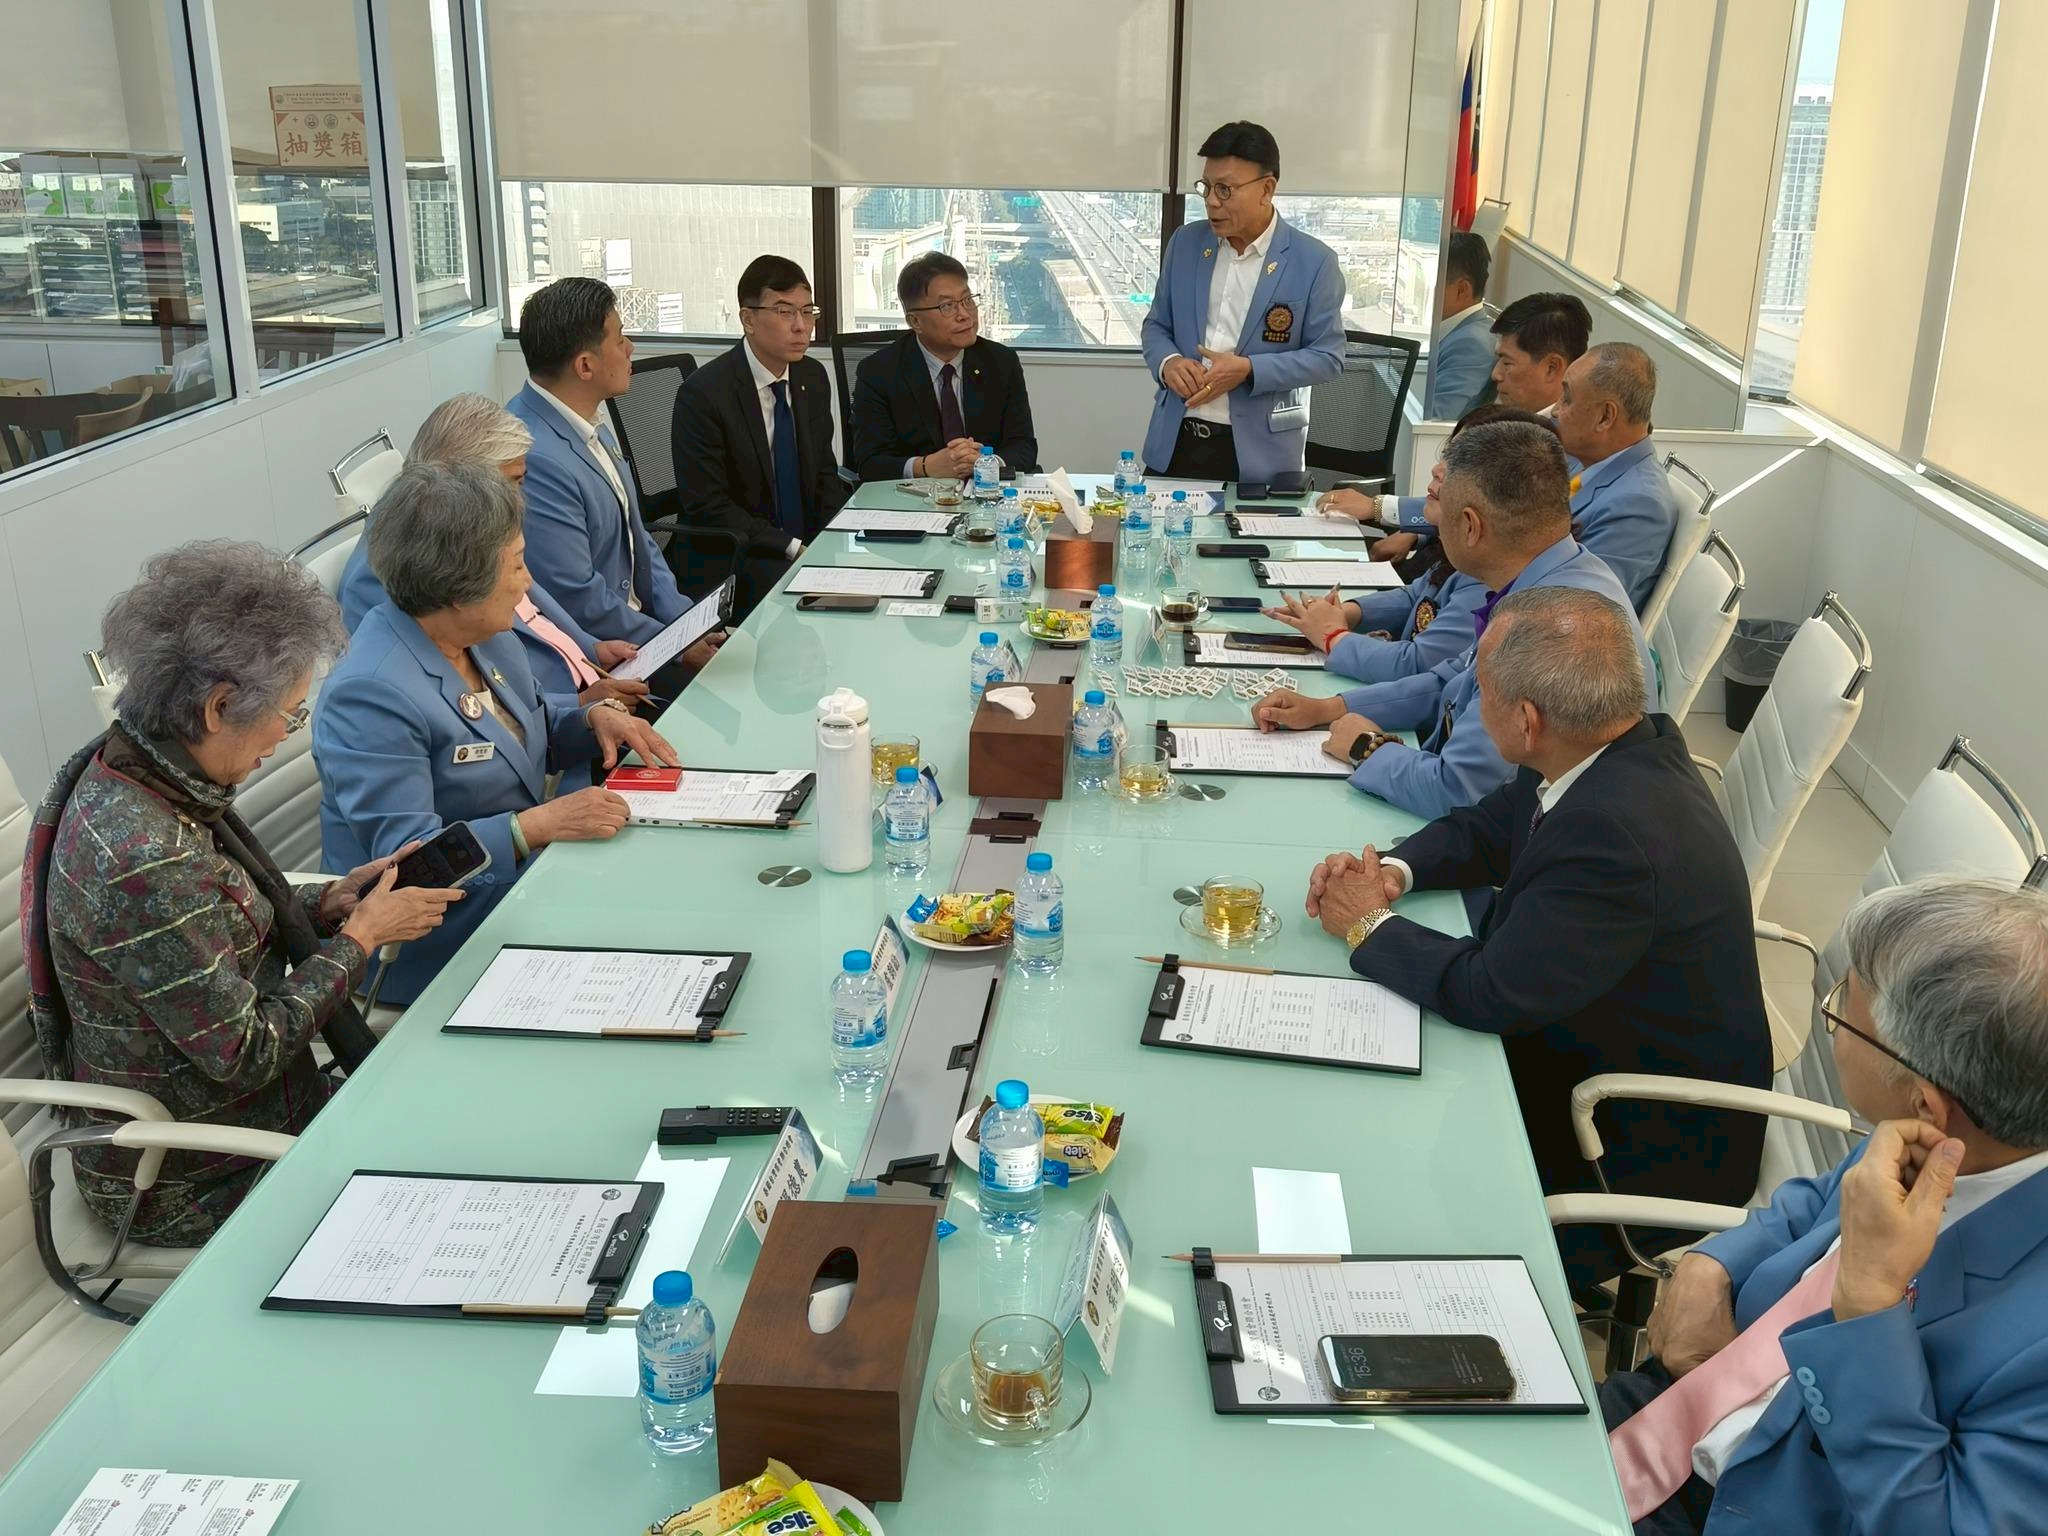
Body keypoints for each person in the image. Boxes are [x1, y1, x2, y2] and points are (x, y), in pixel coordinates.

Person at [1303, 587, 1769, 1293]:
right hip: (1589, 1048)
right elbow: (1490, 828)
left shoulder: (1613, 839)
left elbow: (1489, 992)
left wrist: (1368, 923)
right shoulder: (1610, 746)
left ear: (1526, 720)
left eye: (1481, 692)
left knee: (1370, 1157)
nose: (1471, 702)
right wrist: (1393, 872)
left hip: (1633, 1139)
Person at [25, 544, 459, 1244]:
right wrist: (362, 938)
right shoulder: (142, 857)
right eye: (290, 714)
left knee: (451, 1112)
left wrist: (331, 903)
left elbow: (213, 922)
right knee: (448, 1175)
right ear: (219, 706)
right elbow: (246, 1051)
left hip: (251, 1117)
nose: (287, 735)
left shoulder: (145, 767)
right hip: (191, 1175)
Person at [1600, 877, 2048, 1536]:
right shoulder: (1940, 1140)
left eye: (1842, 1009)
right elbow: (1813, 1201)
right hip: (1682, 1405)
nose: (1829, 1015)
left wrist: (1869, 1309)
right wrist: (1710, 1264)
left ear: (1926, 1103)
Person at [315, 461, 676, 1006]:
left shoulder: (485, 635)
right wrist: (533, 826)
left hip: (526, 888)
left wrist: (588, 720)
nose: (528, 583)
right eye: (517, 565)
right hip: (441, 943)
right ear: (460, 589)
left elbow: (526, 732)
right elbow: (407, 866)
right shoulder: (371, 694)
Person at [1251, 420, 1654, 818]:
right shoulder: (1552, 575)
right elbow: (1449, 681)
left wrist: (1365, 748)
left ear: (1471, 527)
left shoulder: (1548, 627)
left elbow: (1457, 791)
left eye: (1441, 512)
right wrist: (1328, 709)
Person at [340, 394, 693, 715]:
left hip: (586, 683)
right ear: (458, 482)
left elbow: (534, 608)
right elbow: (462, 703)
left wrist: (591, 649)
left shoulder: (467, 533)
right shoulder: (389, 578)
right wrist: (580, 705)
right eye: (513, 483)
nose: (522, 501)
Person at [1259, 405, 1553, 686]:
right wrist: (1347, 613)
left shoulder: (1487, 574)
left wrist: (1333, 636)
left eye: (1458, 463)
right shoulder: (1465, 552)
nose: (1437, 469)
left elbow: (1416, 666)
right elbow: (1416, 596)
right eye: (1447, 455)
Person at [1140, 121, 1345, 483]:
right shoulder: (1185, 243)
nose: (1211, 201)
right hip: (1177, 441)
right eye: (1206, 187)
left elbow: (1328, 357)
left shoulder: (1313, 262)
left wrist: (1249, 369)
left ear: (1267, 189)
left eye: (1225, 189)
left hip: (1260, 456)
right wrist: (1169, 362)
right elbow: (1156, 325)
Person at [507, 277, 697, 646]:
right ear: (585, 366)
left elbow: (639, 539)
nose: (630, 348)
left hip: (642, 625)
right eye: (619, 338)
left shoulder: (586, 419)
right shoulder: (533, 457)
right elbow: (577, 597)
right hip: (605, 649)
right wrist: (673, 645)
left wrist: (686, 623)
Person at [1327, 290, 1592, 547]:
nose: (1496, 374)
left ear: (1552, 367)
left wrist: (1377, 506)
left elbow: (1493, 516)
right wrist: (1420, 534)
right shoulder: (1517, 422)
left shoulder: (1562, 448)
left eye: (1507, 363)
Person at [674, 255, 852, 615]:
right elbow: (708, 506)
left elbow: (823, 474)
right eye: (785, 312)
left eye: (808, 312)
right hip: (734, 554)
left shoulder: (812, 377)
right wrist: (792, 547)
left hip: (800, 546)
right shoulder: (705, 394)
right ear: (748, 319)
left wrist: (834, 538)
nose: (802, 326)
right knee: (827, 605)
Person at [848, 251, 1038, 483]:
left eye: (968, 300)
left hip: (986, 493)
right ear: (915, 321)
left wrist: (987, 464)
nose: (965, 315)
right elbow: (870, 463)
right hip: (915, 497)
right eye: (947, 306)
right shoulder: (879, 372)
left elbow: (1024, 446)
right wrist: (926, 466)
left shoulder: (1001, 362)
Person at [1554, 343, 1678, 612]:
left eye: (1566, 398)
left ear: (1605, 417)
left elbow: (1576, 606)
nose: (1555, 410)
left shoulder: (1638, 506)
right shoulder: (1582, 461)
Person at [1424, 232, 1495, 421]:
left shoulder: (1471, 344)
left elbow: (1436, 417)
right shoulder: (1458, 331)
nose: (1426, 291)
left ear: (1462, 289)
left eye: (1434, 284)